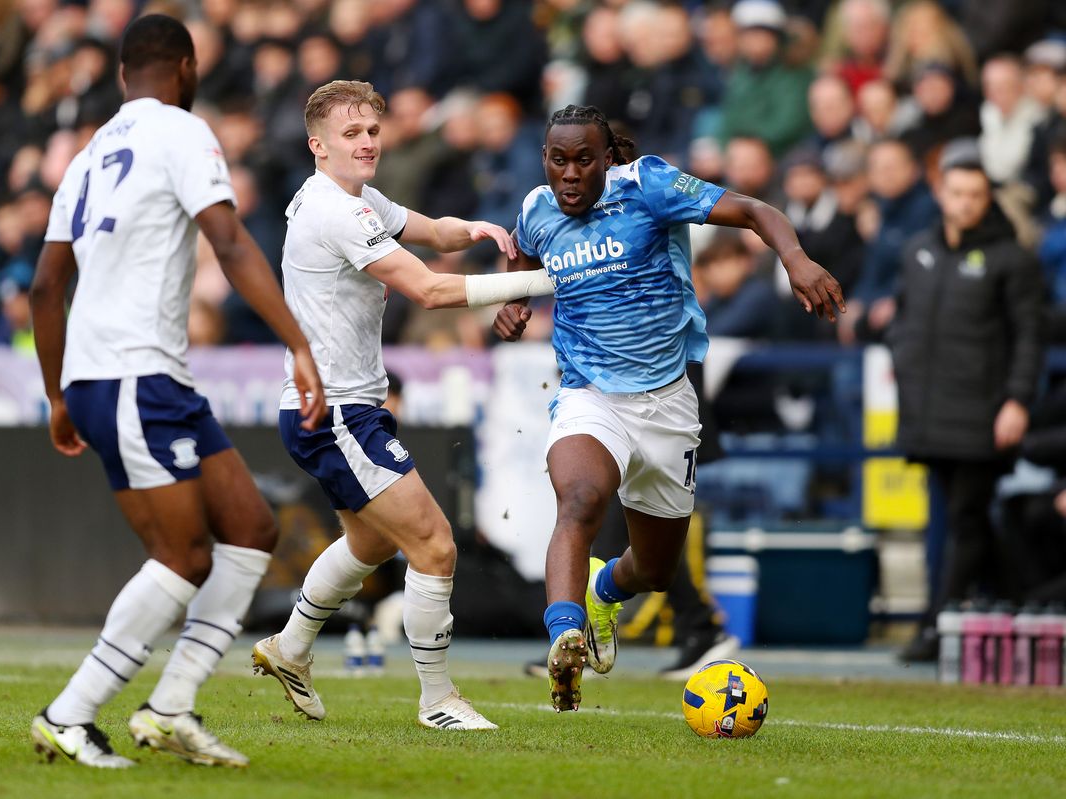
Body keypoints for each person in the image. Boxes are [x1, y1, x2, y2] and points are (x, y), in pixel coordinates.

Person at [27, 15, 327, 769]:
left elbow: (42, 288)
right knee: (183, 553)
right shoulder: (184, 133)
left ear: (124, 73)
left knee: (251, 527)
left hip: (139, 376)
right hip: (133, 374)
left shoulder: (88, 154)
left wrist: (59, 397)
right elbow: (228, 240)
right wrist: (297, 340)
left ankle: (170, 706)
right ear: (187, 68)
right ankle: (70, 712)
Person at [492, 104, 843, 712]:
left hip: (667, 401)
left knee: (654, 570)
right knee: (578, 500)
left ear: (607, 159)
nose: (569, 174)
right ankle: (564, 637)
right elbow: (522, 258)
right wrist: (515, 301)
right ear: (544, 159)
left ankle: (603, 592)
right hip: (587, 392)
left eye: (583, 160)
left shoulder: (649, 186)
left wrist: (797, 260)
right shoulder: (534, 209)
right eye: (558, 160)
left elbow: (758, 211)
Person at [249, 80, 554, 731]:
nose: (366, 142)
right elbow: (427, 289)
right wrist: (547, 280)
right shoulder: (337, 211)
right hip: (335, 413)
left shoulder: (355, 199)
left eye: (372, 131)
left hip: (339, 407)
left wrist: (474, 228)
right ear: (317, 145)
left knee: (366, 543)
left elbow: (433, 234)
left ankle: (290, 648)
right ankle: (437, 699)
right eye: (351, 134)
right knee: (435, 544)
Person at [888, 141, 1044, 662]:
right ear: (940, 192)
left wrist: (1017, 400)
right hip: (928, 411)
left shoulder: (1012, 260)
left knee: (965, 516)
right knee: (957, 520)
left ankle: (939, 622)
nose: (965, 203)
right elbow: (904, 322)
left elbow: (1030, 337)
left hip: (983, 410)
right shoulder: (918, 251)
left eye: (976, 194)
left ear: (988, 198)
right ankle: (1021, 603)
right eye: (957, 193)